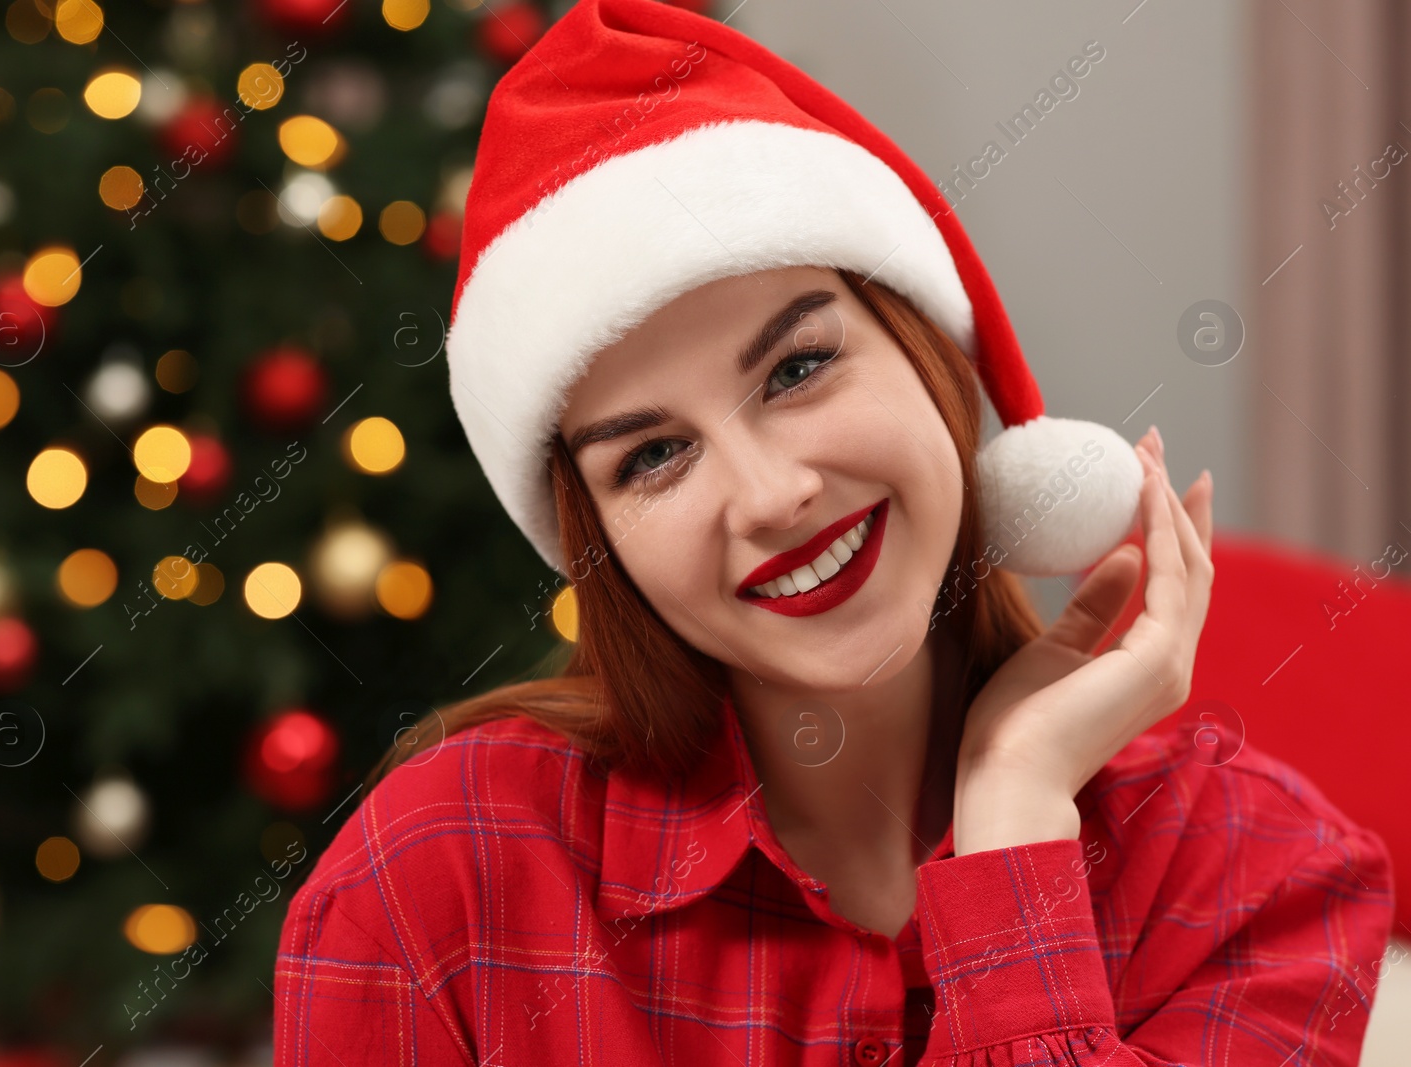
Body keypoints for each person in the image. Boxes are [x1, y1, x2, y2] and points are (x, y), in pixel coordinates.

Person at [273, 2, 1395, 1064]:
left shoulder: (1255, 873)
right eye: (651, 455)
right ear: (597, 537)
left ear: (931, 359)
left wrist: (1012, 834)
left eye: (797, 368)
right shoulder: (436, 877)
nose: (765, 495)